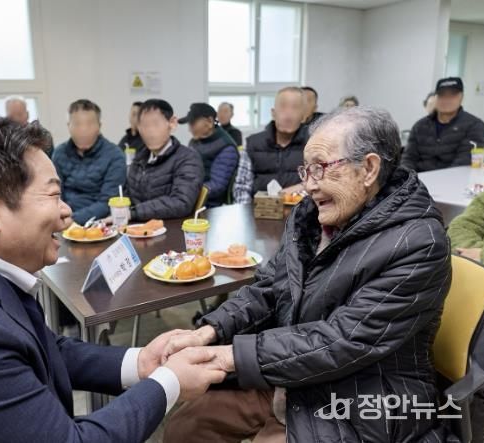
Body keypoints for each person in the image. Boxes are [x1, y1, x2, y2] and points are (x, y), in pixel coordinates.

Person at [0, 117, 226, 443]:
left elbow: (47, 348)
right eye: (53, 195)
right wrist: (168, 382)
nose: (67, 212)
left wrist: (141, 362)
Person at [161, 106, 455, 443]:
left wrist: (231, 356)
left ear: (369, 169)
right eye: (306, 170)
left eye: (320, 168)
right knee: (186, 427)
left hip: (361, 396)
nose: (308, 185)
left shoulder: (418, 243)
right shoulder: (310, 216)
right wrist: (210, 331)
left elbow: (343, 340)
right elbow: (269, 289)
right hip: (293, 370)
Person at [447, 192, 484, 443]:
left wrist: (482, 256)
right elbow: (462, 225)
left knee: (478, 378)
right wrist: (476, 255)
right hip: (480, 289)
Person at [126, 99, 204, 221]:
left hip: (172, 228)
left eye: (156, 124)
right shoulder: (139, 159)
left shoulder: (188, 158)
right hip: (138, 226)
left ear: (172, 123)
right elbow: (127, 195)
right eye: (145, 125)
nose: (150, 131)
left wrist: (134, 213)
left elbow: (181, 202)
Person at [52, 99, 126, 225]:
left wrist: (72, 220)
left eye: (90, 124)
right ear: (68, 126)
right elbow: (55, 194)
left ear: (99, 126)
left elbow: (107, 202)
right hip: (62, 218)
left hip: (98, 222)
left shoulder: (115, 155)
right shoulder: (59, 153)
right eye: (77, 124)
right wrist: (60, 217)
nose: (83, 129)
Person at [233, 87, 309, 204]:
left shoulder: (313, 145)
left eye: (295, 107)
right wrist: (250, 211)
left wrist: (301, 188)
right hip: (260, 210)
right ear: (273, 113)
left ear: (303, 117)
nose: (288, 113)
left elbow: (320, 183)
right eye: (283, 106)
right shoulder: (253, 144)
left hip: (301, 210)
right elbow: (241, 187)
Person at [402, 77, 484, 172]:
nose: (446, 99)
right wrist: (407, 178)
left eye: (452, 95)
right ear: (435, 97)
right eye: (441, 95)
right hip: (419, 178)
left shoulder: (474, 125)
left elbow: (463, 163)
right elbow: (408, 158)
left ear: (461, 97)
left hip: (453, 179)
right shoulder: (419, 126)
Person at [181, 103, 239, 207]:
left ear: (209, 122)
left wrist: (186, 190)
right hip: (190, 198)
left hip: (208, 206)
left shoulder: (226, 148)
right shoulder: (195, 141)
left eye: (193, 124)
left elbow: (216, 186)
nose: (190, 129)